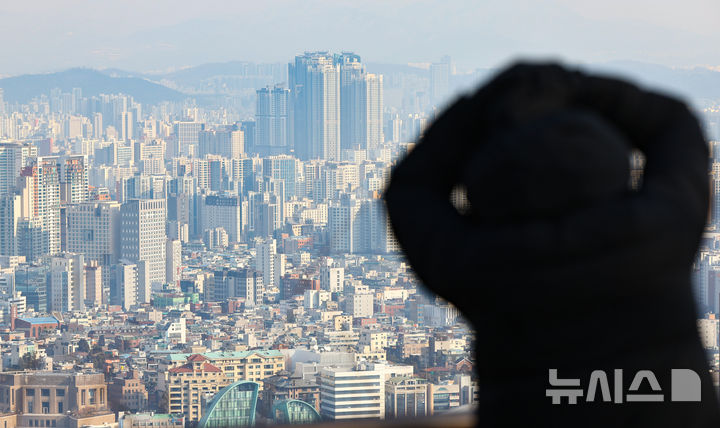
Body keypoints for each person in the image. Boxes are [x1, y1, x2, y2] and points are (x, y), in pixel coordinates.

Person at [384, 62, 720, 426]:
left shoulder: (483, 266)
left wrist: (482, 105)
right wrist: (576, 86)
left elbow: (411, 188)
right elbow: (674, 123)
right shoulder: (659, 232)